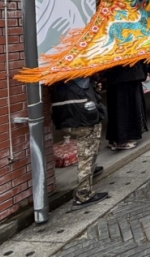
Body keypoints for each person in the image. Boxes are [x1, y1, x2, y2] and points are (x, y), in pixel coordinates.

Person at [51, 78, 107, 206]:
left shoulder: (57, 78)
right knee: (87, 154)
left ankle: (91, 171)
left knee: (88, 151)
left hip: (65, 120)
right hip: (84, 120)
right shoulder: (82, 78)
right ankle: (84, 194)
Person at [104, 63, 149, 150]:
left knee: (117, 108)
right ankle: (121, 140)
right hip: (125, 74)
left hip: (118, 75)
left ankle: (116, 138)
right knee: (123, 109)